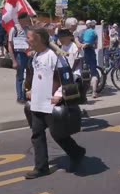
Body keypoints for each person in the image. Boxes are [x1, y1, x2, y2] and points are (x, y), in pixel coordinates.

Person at [24, 27, 85, 179]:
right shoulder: (36, 56)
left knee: (58, 134)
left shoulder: (55, 56)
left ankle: (77, 152)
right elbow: (36, 76)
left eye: (29, 38)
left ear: (38, 39)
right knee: (37, 134)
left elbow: (66, 77)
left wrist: (59, 95)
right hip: (38, 102)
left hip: (51, 103)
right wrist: (31, 90)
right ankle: (41, 167)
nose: (27, 40)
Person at [8, 14, 31, 104]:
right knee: (20, 76)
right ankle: (20, 96)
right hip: (19, 54)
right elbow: (10, 45)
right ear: (20, 20)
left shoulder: (28, 29)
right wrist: (14, 60)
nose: (27, 21)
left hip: (28, 54)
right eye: (26, 20)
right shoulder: (14, 29)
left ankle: (27, 94)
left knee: (29, 75)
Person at [77, 20, 99, 98]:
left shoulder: (81, 32)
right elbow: (96, 46)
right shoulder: (95, 33)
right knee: (94, 72)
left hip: (81, 54)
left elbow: (76, 41)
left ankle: (81, 91)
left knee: (81, 71)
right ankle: (94, 92)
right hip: (91, 53)